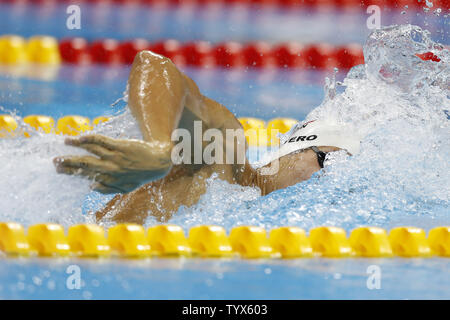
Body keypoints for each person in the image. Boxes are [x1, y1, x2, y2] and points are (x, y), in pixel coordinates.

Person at [54, 51, 360, 224]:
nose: (328, 182)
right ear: (294, 151)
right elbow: (154, 64)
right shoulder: (226, 153)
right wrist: (159, 150)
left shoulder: (241, 207)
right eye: (327, 161)